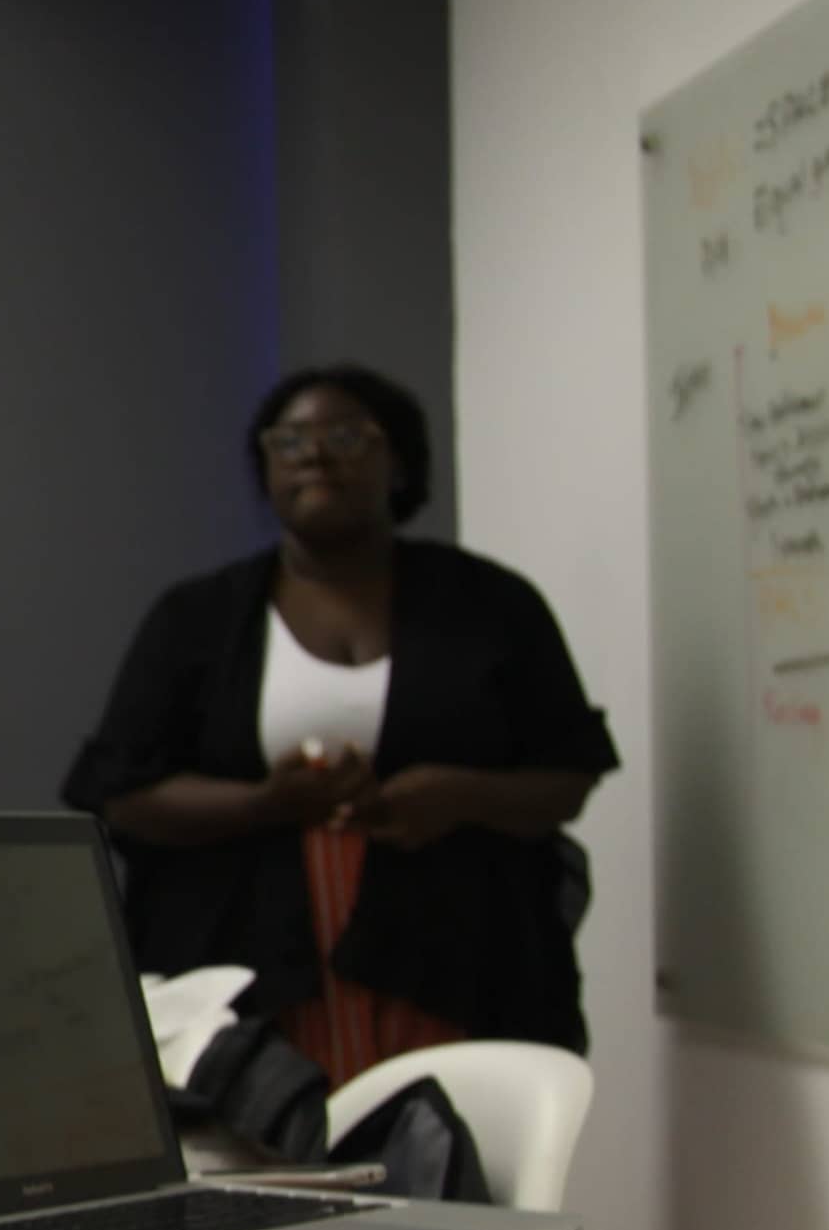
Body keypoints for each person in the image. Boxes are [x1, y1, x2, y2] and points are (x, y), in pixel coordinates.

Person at [63, 364, 616, 1079]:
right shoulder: (195, 620)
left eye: (347, 435)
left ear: (401, 462)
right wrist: (264, 804)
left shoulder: (492, 606)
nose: (315, 454)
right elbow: (120, 797)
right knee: (275, 1165)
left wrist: (451, 795)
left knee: (447, 1157)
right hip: (248, 969)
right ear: (264, 467)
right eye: (289, 440)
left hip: (454, 959)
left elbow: (565, 778)